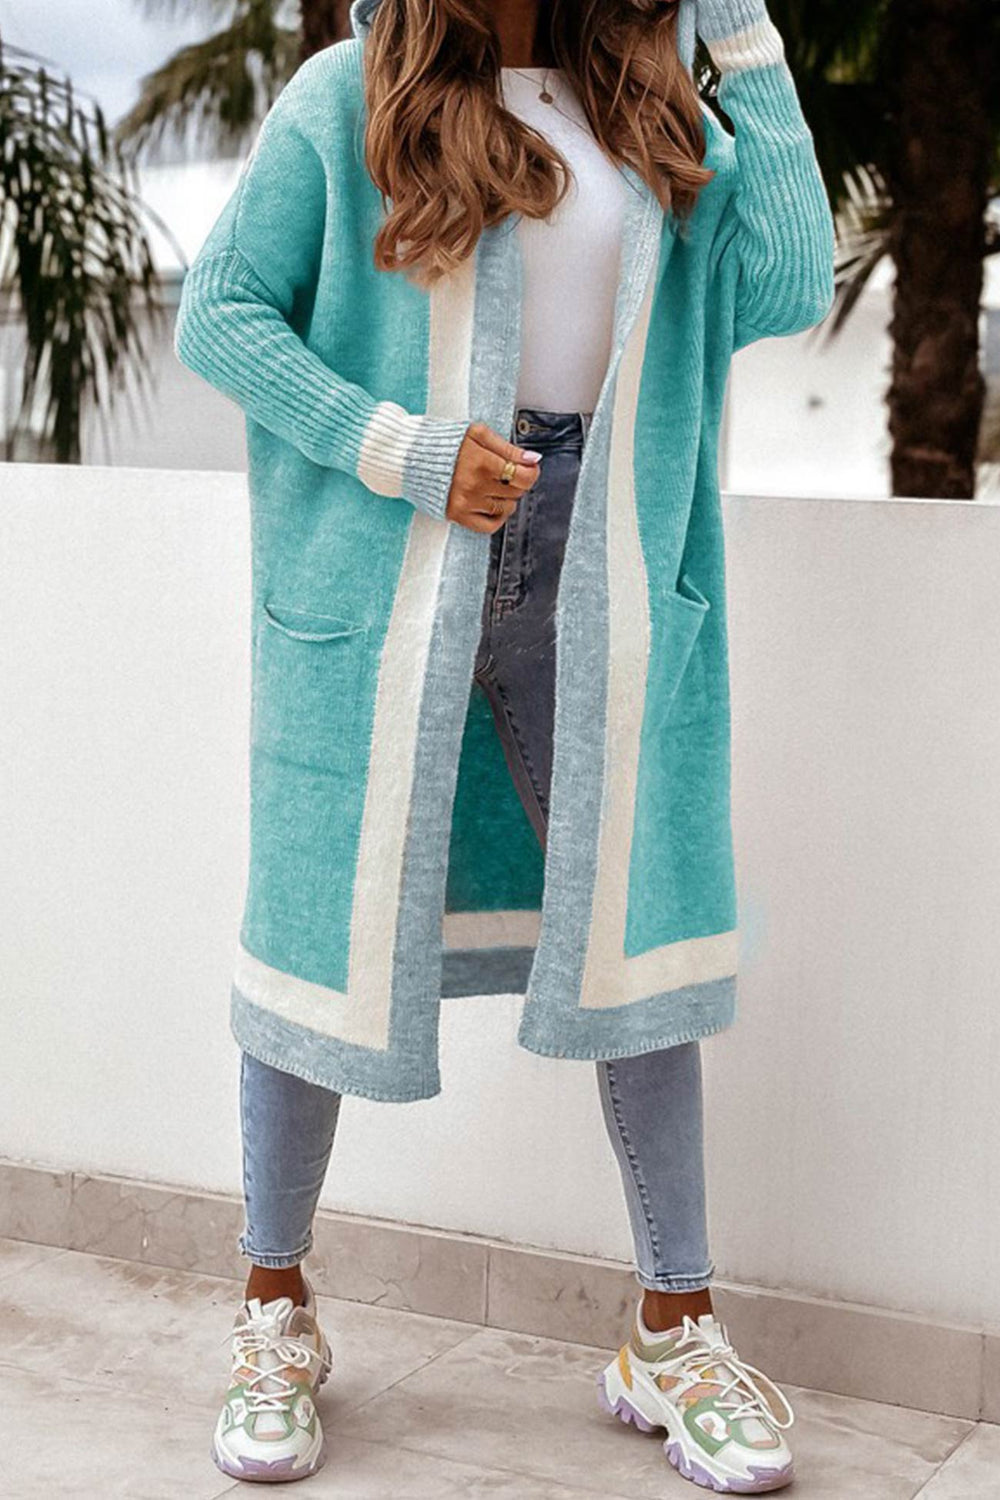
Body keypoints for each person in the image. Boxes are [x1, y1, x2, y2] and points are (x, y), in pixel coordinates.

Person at [174, 0, 833, 1487]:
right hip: (395, 556)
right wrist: (396, 448)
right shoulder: (347, 95)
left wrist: (738, 29)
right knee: (317, 932)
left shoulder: (653, 105)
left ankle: (674, 1329)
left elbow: (791, 283)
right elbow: (219, 311)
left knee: (636, 939)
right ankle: (274, 1309)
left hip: (614, 558)